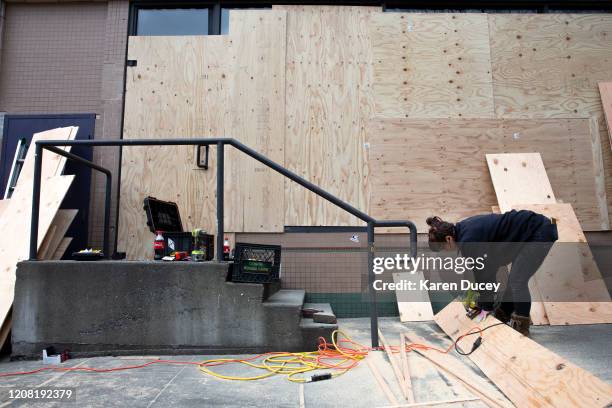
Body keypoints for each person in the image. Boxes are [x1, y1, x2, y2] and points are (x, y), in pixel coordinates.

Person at [426, 210, 558, 336]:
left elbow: (484, 275)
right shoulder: (463, 230)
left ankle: (522, 327)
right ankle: (502, 316)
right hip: (531, 232)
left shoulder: (468, 242)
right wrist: (484, 304)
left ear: (448, 239)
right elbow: (490, 267)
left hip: (538, 231)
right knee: (514, 279)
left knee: (517, 281)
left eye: (442, 248)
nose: (445, 252)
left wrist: (485, 307)